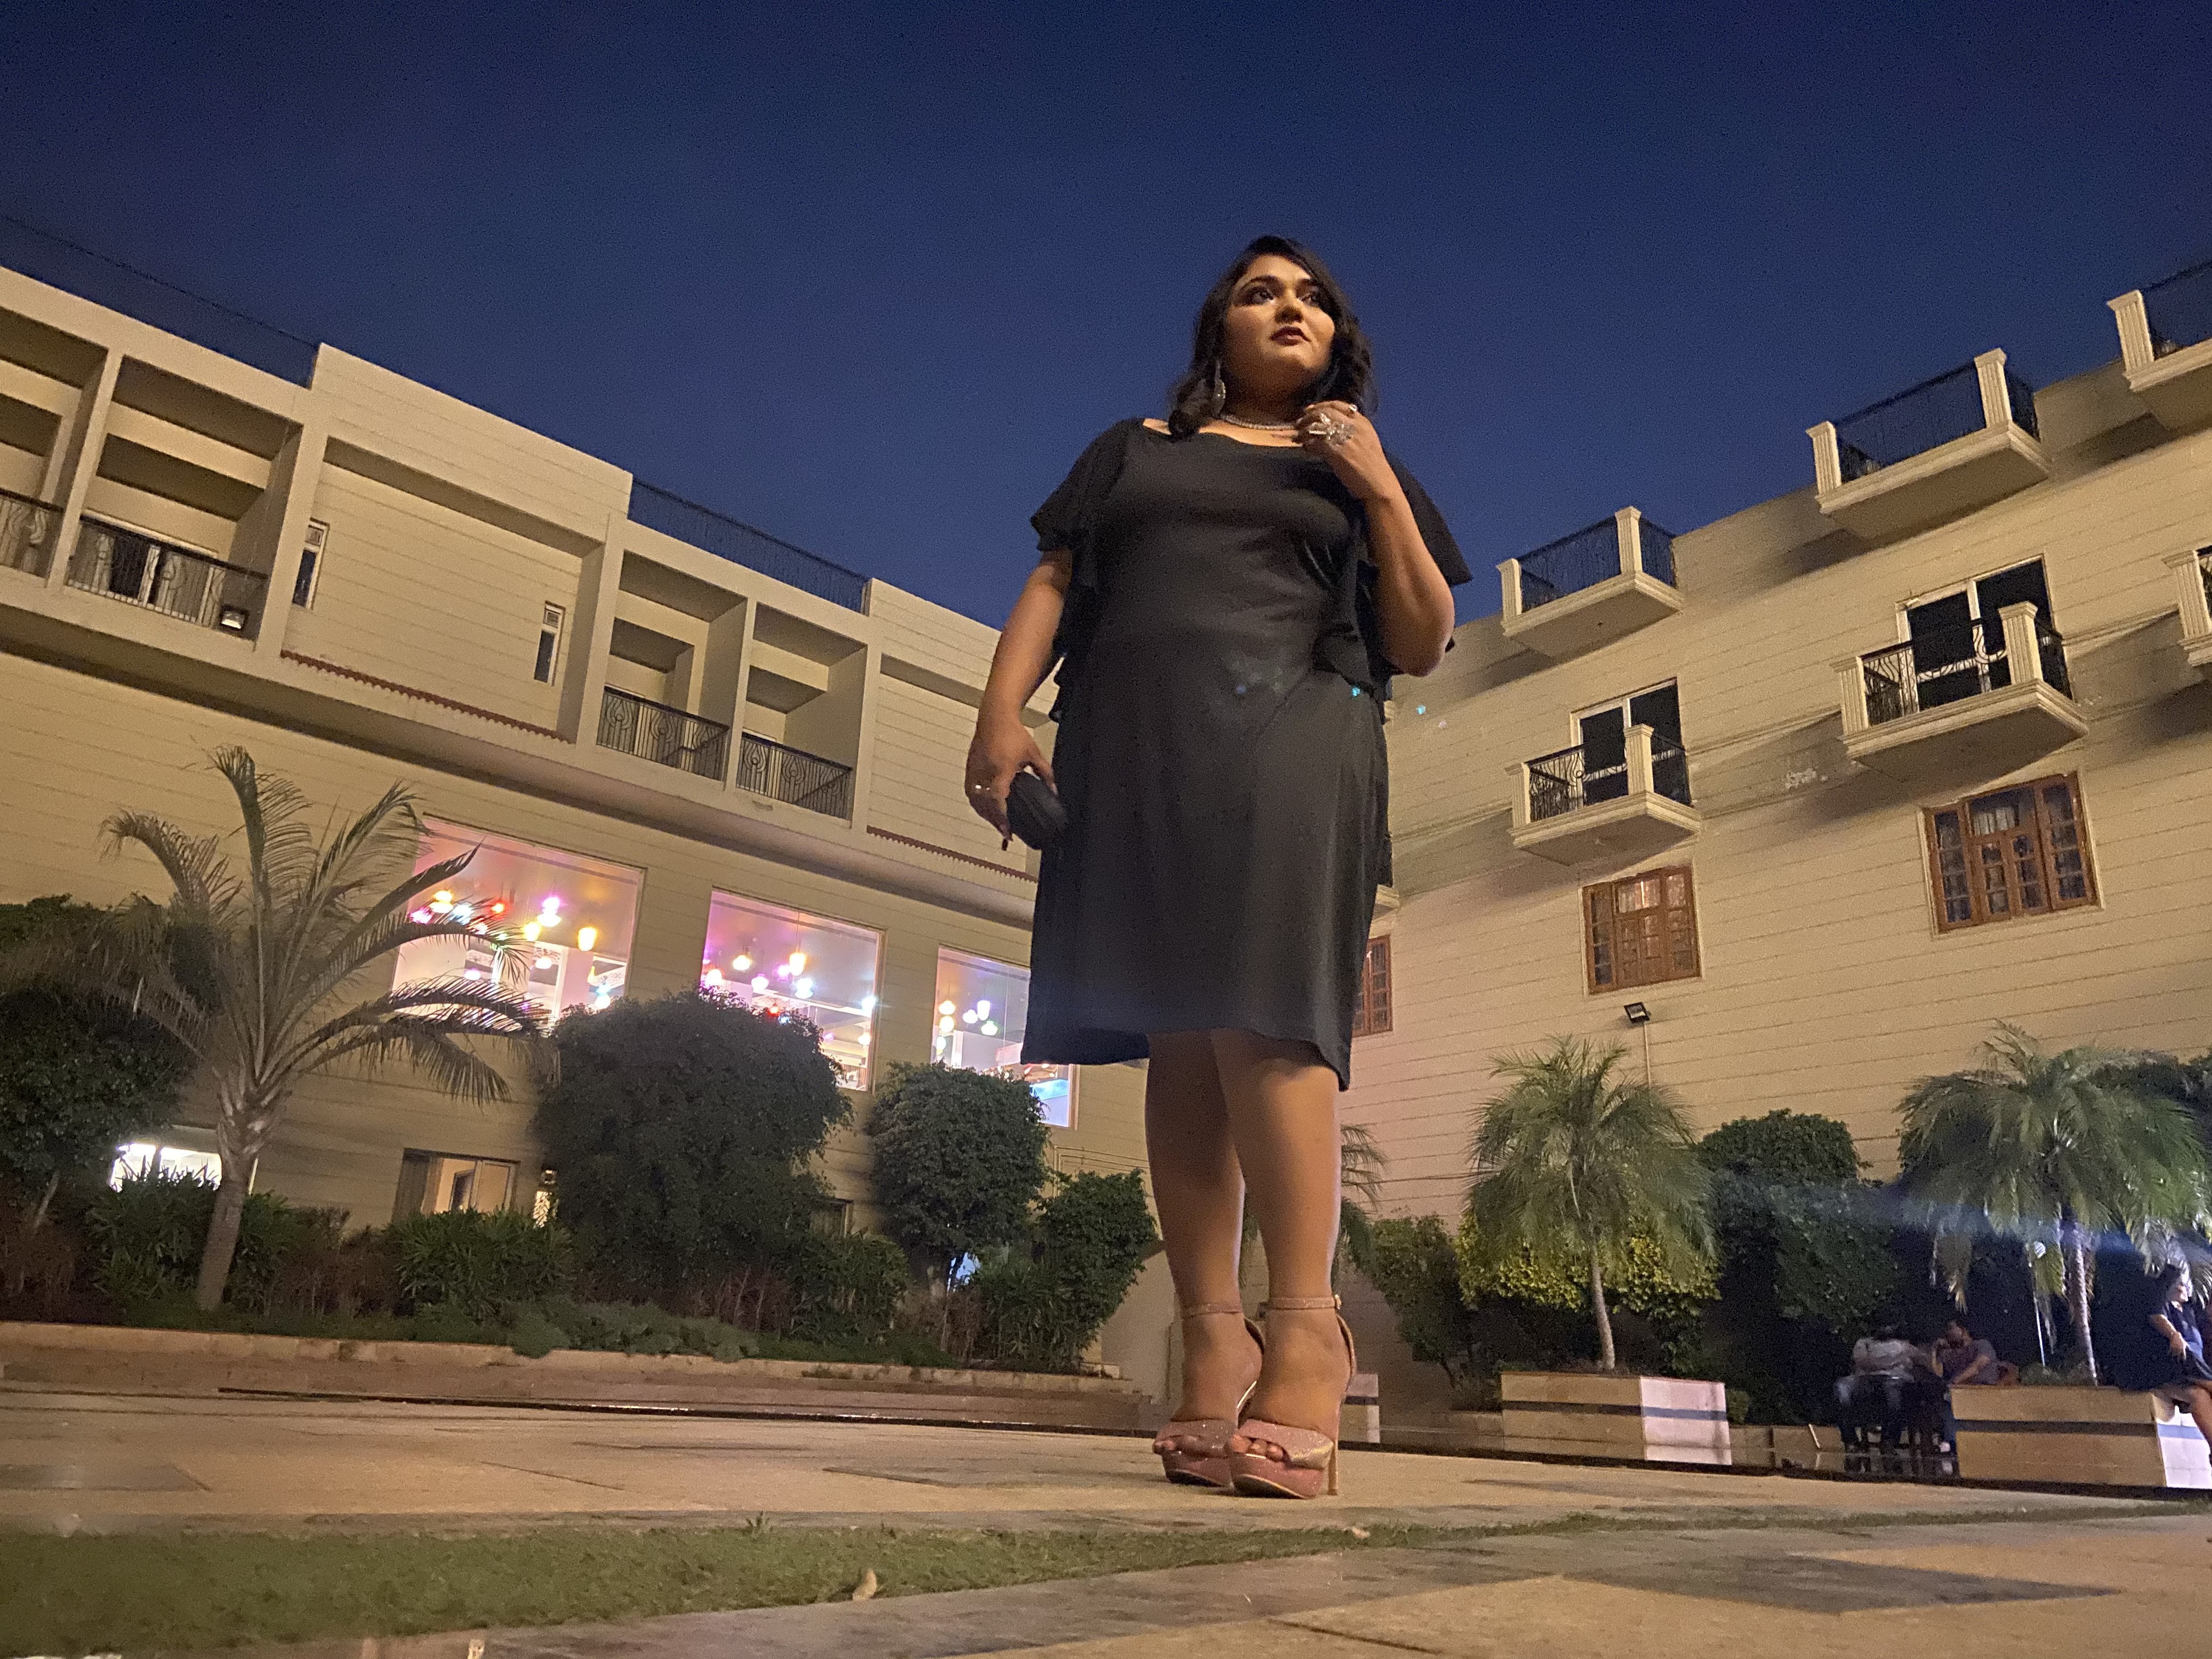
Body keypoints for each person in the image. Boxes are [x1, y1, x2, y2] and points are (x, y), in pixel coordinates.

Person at [966, 236, 1469, 1499]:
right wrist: (1000, 712)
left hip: (1297, 727)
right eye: (1261, 291)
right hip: (1136, 739)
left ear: (1336, 336)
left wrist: (1377, 487)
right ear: (1219, 330)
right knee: (1179, 1034)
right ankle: (1211, 1339)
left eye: (1311, 296)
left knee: (1264, 1011)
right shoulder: (1134, 448)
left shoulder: (1356, 461)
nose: (1289, 306)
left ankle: (1306, 1332)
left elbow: (1421, 638)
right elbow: (1056, 578)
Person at [1835, 1323, 1930, 1450]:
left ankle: (1888, 1440)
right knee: (1841, 1387)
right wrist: (1896, 1360)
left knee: (1895, 1389)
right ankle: (1851, 1440)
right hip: (1866, 1381)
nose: (1885, 1328)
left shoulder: (1904, 1345)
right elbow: (1863, 1362)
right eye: (1881, 1325)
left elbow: (1924, 1361)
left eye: (1888, 1325)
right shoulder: (1864, 1343)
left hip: (1894, 1381)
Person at [2147, 1262, 2212, 1446]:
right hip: (2180, 1365)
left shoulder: (2190, 1311)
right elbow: (2156, 1315)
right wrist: (2175, 1335)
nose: (2184, 1287)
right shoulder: (2166, 1307)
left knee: (2200, 1396)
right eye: (2180, 1284)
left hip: (2197, 1369)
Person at [1931, 1319, 2001, 1386]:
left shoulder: (1981, 1344)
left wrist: (1956, 1382)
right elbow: (1937, 1374)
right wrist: (1934, 1350)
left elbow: (1980, 1364)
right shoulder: (1949, 1354)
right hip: (1955, 1390)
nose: (1947, 1333)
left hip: (1982, 1388)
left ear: (1962, 1330)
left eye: (1950, 1328)